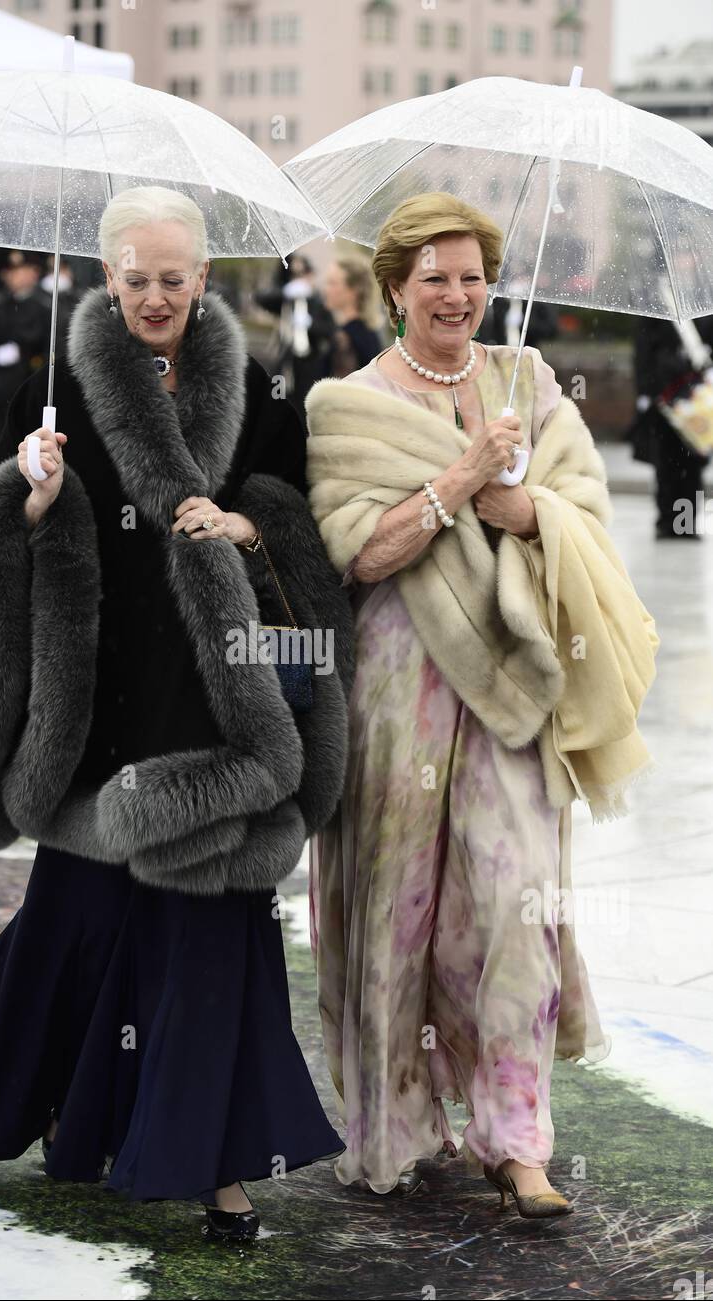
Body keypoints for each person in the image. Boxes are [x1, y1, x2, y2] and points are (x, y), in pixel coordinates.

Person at [0, 187, 354, 1242]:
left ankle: (223, 1168)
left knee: (216, 918)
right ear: (107, 274)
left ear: (205, 280)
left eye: (175, 280)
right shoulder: (52, 380)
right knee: (78, 920)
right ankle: (72, 1122)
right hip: (98, 690)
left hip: (215, 690)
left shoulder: (264, 384)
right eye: (136, 280)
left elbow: (292, 520)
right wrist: (27, 492)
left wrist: (244, 524)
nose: (156, 297)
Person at [305, 193, 659, 1218]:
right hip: (396, 690)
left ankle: (516, 1141)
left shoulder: (531, 381)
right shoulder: (344, 403)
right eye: (434, 278)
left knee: (512, 905)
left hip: (513, 684)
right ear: (394, 289)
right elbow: (358, 552)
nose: (455, 295)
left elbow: (583, 511)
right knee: (395, 912)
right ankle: (399, 1126)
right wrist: (460, 477)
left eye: (470, 277)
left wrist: (529, 506)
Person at [630, 307, 713, 539]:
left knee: (693, 466)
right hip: (664, 397)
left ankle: (686, 524)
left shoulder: (703, 305)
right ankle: (667, 521)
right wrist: (645, 392)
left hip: (696, 396)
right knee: (666, 464)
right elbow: (643, 351)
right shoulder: (657, 306)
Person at [0, 249, 52, 481]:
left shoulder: (45, 307)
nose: (16, 276)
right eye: (12, 271)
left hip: (28, 389)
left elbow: (48, 349)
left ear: (34, 272)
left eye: (22, 270)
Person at [255, 254, 335, 420]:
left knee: (304, 413)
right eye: (295, 275)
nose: (299, 279)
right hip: (284, 365)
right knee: (277, 406)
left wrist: (310, 324)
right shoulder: (287, 300)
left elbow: (330, 330)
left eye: (303, 273)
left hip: (310, 366)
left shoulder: (319, 302)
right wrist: (286, 291)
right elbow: (261, 298)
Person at [320, 254, 385, 378]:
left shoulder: (344, 339)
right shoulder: (368, 332)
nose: (325, 289)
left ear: (354, 290)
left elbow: (342, 391)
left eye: (332, 283)